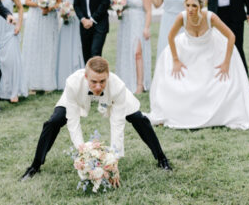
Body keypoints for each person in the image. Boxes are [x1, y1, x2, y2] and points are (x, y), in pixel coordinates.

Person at [147, 0, 249, 129]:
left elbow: (231, 36)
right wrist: (176, 60)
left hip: (211, 51)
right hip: (187, 51)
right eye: (188, 5)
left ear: (201, 6)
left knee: (219, 82)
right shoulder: (181, 17)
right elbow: (170, 36)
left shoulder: (210, 17)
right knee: (178, 81)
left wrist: (226, 62)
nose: (190, 9)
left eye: (194, 6)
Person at [20, 56, 172, 181]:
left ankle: (161, 158)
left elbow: (117, 124)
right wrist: (83, 152)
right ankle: (35, 165)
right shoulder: (72, 84)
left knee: (139, 118)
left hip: (113, 99)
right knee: (53, 121)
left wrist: (113, 161)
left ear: (108, 76)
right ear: (86, 76)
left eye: (102, 81)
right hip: (77, 99)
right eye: (93, 81)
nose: (98, 86)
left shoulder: (117, 86)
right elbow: (73, 122)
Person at [22, 0, 62, 92]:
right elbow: (27, 0)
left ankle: (47, 83)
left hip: (50, 20)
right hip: (36, 18)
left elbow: (59, 2)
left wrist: (51, 6)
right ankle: (32, 84)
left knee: (49, 49)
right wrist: (39, 4)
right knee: (35, 48)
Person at [116, 0, 152, 93]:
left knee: (138, 53)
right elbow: (120, 6)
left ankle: (140, 84)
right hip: (126, 24)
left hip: (139, 23)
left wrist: (146, 28)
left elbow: (148, 11)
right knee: (127, 52)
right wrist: (118, 8)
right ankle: (127, 80)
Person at [0, 0, 26, 103]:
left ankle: (14, 92)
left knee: (13, 62)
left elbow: (20, 7)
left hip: (10, 31)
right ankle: (0, 92)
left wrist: (19, 24)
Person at [55, 0, 84, 90]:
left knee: (78, 48)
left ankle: (79, 80)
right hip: (67, 24)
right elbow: (58, 6)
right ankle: (64, 79)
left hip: (78, 22)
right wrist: (63, 12)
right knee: (65, 49)